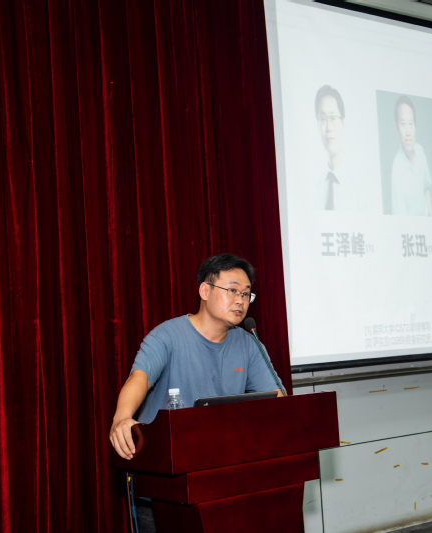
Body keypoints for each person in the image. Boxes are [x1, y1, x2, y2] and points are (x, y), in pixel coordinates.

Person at [109, 254, 285, 532]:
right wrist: (122, 417)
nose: (240, 300)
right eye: (232, 290)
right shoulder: (167, 335)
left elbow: (277, 400)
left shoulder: (249, 343)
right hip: (165, 479)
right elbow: (139, 378)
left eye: (246, 294)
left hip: (224, 476)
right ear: (205, 290)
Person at [313, 85, 366, 211]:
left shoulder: (360, 182)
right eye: (323, 119)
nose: (328, 128)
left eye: (333, 118)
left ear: (343, 123)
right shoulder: (317, 186)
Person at [390, 96, 432, 217]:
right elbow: (400, 219)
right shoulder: (397, 169)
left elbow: (426, 188)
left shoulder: (420, 151)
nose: (408, 132)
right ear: (397, 126)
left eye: (411, 123)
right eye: (403, 124)